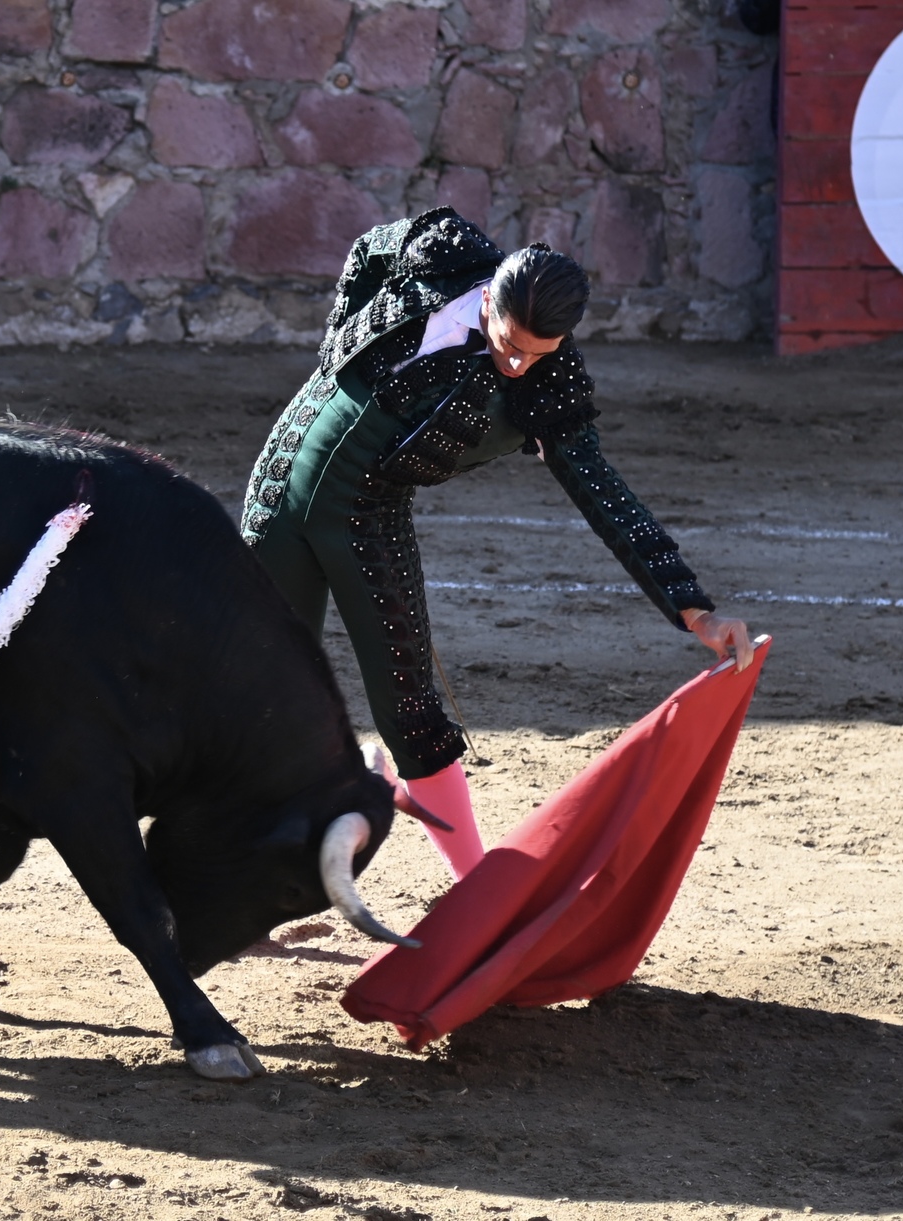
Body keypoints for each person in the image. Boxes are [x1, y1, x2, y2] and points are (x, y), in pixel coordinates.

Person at [241, 208, 752, 880]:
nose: (516, 364)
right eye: (508, 343)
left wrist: (692, 608)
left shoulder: (549, 386)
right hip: (283, 476)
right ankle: (253, 873)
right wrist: (337, 348)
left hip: (368, 520)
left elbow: (603, 493)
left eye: (536, 353)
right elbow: (368, 249)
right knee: (257, 685)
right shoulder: (445, 256)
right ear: (487, 298)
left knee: (410, 710)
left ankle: (473, 884)